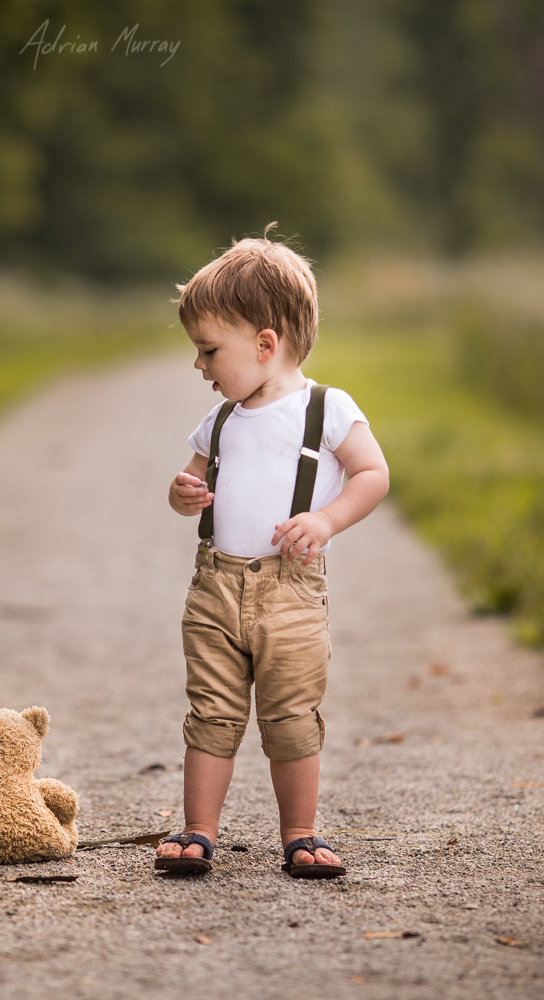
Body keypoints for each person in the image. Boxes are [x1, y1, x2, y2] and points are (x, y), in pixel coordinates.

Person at [155, 230, 390, 878]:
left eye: (209, 352)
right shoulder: (221, 421)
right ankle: (198, 830)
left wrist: (327, 518)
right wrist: (184, 494)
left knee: (290, 716)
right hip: (215, 591)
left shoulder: (326, 409)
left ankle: (301, 833)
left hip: (290, 593)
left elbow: (373, 474)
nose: (200, 367)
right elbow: (193, 479)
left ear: (265, 344)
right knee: (211, 711)